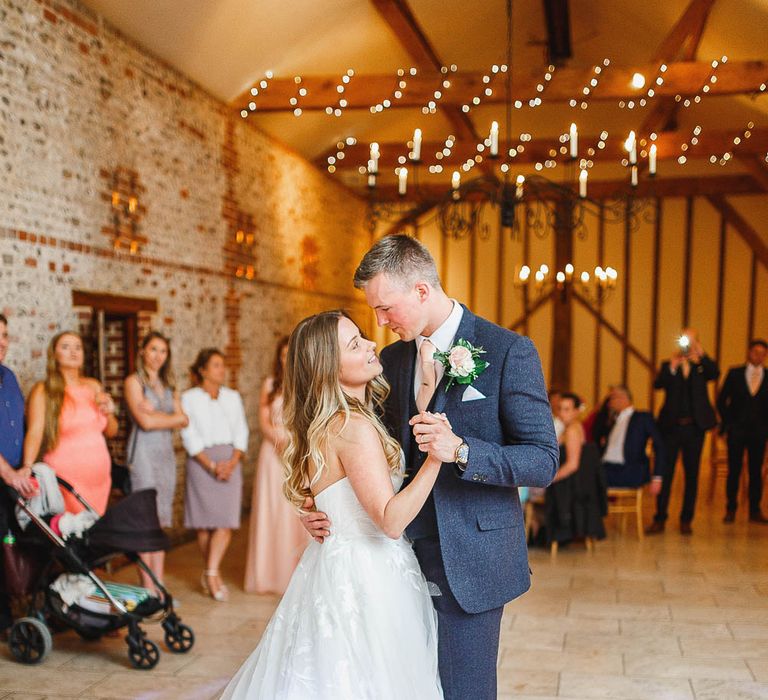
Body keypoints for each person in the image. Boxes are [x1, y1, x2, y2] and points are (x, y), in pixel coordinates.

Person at [302, 235, 558, 700]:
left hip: (473, 559)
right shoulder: (393, 360)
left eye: (385, 308)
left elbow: (542, 460)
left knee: (465, 690)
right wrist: (321, 503)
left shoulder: (506, 351)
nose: (378, 321)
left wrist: (461, 450)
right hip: (394, 561)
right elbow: (361, 446)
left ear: (421, 290)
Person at [222, 311, 443, 699]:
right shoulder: (352, 427)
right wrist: (438, 458)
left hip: (338, 566)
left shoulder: (332, 422)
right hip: (369, 575)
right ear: (330, 368)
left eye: (362, 337)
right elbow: (390, 521)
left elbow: (331, 497)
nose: (373, 344)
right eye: (355, 344)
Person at [23, 331, 118, 515]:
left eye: (78, 347)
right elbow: (34, 432)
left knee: (95, 533)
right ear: (54, 355)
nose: (73, 352)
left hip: (100, 478)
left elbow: (111, 432)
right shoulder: (44, 390)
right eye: (65, 347)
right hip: (67, 479)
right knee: (70, 534)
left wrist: (111, 412)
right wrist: (27, 467)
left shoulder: (93, 386)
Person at [181, 348, 248, 602]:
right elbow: (189, 434)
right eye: (217, 365)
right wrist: (210, 465)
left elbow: (241, 430)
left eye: (222, 365)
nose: (223, 370)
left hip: (231, 459)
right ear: (203, 371)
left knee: (226, 522)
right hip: (201, 462)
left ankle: (209, 572)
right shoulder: (189, 398)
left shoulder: (232, 397)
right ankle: (213, 573)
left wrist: (231, 462)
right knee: (204, 524)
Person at [124, 331, 188, 592]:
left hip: (165, 456)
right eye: (153, 349)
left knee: (161, 519)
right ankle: (146, 586)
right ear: (142, 351)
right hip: (142, 455)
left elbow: (185, 420)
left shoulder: (169, 384)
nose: (158, 356)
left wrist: (159, 414)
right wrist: (169, 417)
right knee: (144, 520)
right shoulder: (133, 381)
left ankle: (159, 584)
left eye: (163, 351)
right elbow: (145, 423)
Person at [244, 337, 309, 594]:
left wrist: (295, 443)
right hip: (272, 453)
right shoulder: (270, 384)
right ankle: (269, 575)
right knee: (273, 508)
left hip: (298, 452)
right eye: (282, 355)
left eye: (289, 354)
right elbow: (262, 419)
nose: (285, 359)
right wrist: (277, 439)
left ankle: (295, 573)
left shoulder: (305, 382)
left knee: (295, 511)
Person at [647, 328, 719, 535]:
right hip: (670, 428)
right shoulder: (669, 365)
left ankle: (686, 519)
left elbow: (715, 373)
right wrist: (671, 367)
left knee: (692, 474)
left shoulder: (702, 367)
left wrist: (701, 354)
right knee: (666, 473)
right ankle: (660, 517)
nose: (688, 344)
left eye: (692, 340)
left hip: (694, 428)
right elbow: (658, 384)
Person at [0, 314, 38, 631]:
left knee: (10, 543)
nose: (1, 342)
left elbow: (20, 427)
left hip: (12, 480)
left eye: (4, 335)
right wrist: (9, 474)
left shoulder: (9, 376)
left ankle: (10, 612)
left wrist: (25, 467)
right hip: (4, 478)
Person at [717, 339, 768, 523]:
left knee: (756, 471)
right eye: (756, 352)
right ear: (749, 352)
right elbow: (722, 400)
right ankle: (731, 508)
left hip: (759, 433)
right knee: (734, 470)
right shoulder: (735, 373)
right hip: (737, 431)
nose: (759, 356)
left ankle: (755, 509)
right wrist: (728, 423)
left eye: (763, 354)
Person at [600, 385, 665, 493]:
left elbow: (660, 445)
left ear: (622, 398)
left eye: (612, 398)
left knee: (583, 480)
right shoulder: (612, 421)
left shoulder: (642, 418)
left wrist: (657, 477)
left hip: (628, 471)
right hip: (606, 468)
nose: (609, 403)